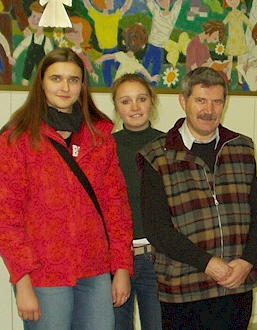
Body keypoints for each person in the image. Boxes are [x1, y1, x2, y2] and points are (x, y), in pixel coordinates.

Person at [0, 47, 133, 330]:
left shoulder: (100, 137)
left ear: (82, 85)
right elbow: (7, 217)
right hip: (43, 273)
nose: (65, 87)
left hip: (96, 269)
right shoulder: (17, 139)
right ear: (41, 82)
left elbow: (116, 207)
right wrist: (22, 282)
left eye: (73, 80)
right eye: (56, 78)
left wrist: (121, 268)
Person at [138, 67, 257, 329]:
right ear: (183, 100)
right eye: (200, 100)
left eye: (217, 101)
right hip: (183, 288)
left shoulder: (242, 148)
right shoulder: (157, 155)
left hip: (236, 283)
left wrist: (247, 262)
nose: (209, 110)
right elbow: (157, 229)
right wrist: (207, 263)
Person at [112, 73, 164, 330]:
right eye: (126, 101)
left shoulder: (170, 144)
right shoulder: (106, 147)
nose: (134, 107)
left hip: (159, 259)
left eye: (141, 99)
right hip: (116, 261)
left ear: (151, 102)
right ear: (116, 106)